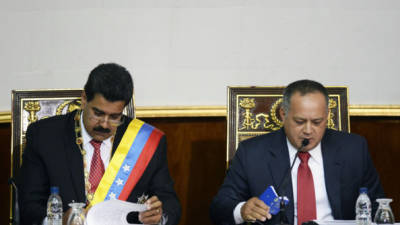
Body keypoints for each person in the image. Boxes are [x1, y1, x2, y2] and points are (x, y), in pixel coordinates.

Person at [18, 63, 181, 225]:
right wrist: (59, 221)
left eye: (114, 117)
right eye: (98, 113)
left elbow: (170, 203)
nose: (104, 124)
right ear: (84, 99)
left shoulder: (145, 141)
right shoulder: (45, 136)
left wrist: (158, 217)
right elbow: (29, 207)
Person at [210, 79, 385, 225]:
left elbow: (378, 206)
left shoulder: (353, 148)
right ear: (283, 114)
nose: (308, 130)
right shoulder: (253, 152)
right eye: (300, 121)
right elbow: (220, 208)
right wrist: (242, 210)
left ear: (327, 116)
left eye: (317, 122)